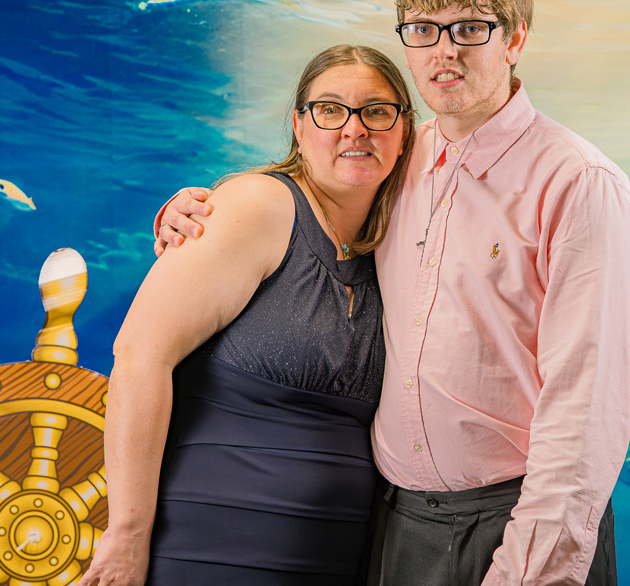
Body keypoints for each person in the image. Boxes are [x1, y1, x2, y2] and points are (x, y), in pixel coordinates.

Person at [155, 0, 630, 586]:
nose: (444, 50)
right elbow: (303, 202)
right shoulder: (394, 157)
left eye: (470, 28)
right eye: (423, 29)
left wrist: (531, 570)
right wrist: (192, 213)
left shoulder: (578, 182)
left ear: (515, 38)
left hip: (520, 521)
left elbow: (586, 407)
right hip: (397, 523)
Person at [78, 44, 416, 586]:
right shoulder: (258, 206)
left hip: (333, 562)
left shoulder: (400, 243)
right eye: (330, 110)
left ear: (405, 131)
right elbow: (139, 357)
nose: (354, 128)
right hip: (204, 552)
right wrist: (127, 534)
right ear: (299, 128)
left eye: (376, 111)